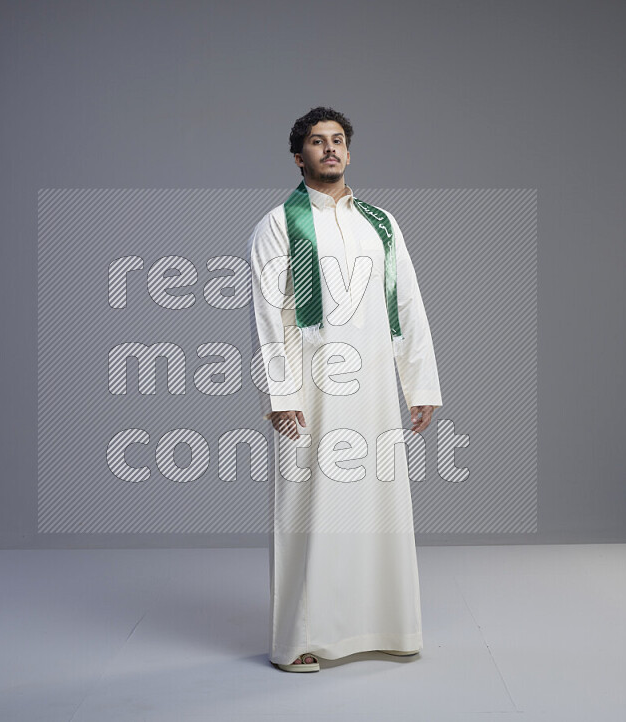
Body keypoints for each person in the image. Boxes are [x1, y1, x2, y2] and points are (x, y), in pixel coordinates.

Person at [247, 107, 443, 672]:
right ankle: (303, 639)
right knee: (308, 510)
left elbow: (406, 303)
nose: (329, 149)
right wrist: (281, 394)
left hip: (376, 387)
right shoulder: (279, 225)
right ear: (298, 156)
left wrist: (418, 382)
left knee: (379, 506)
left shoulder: (380, 223)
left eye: (337, 141)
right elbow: (267, 314)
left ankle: (389, 627)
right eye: (316, 142)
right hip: (312, 389)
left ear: (349, 153)